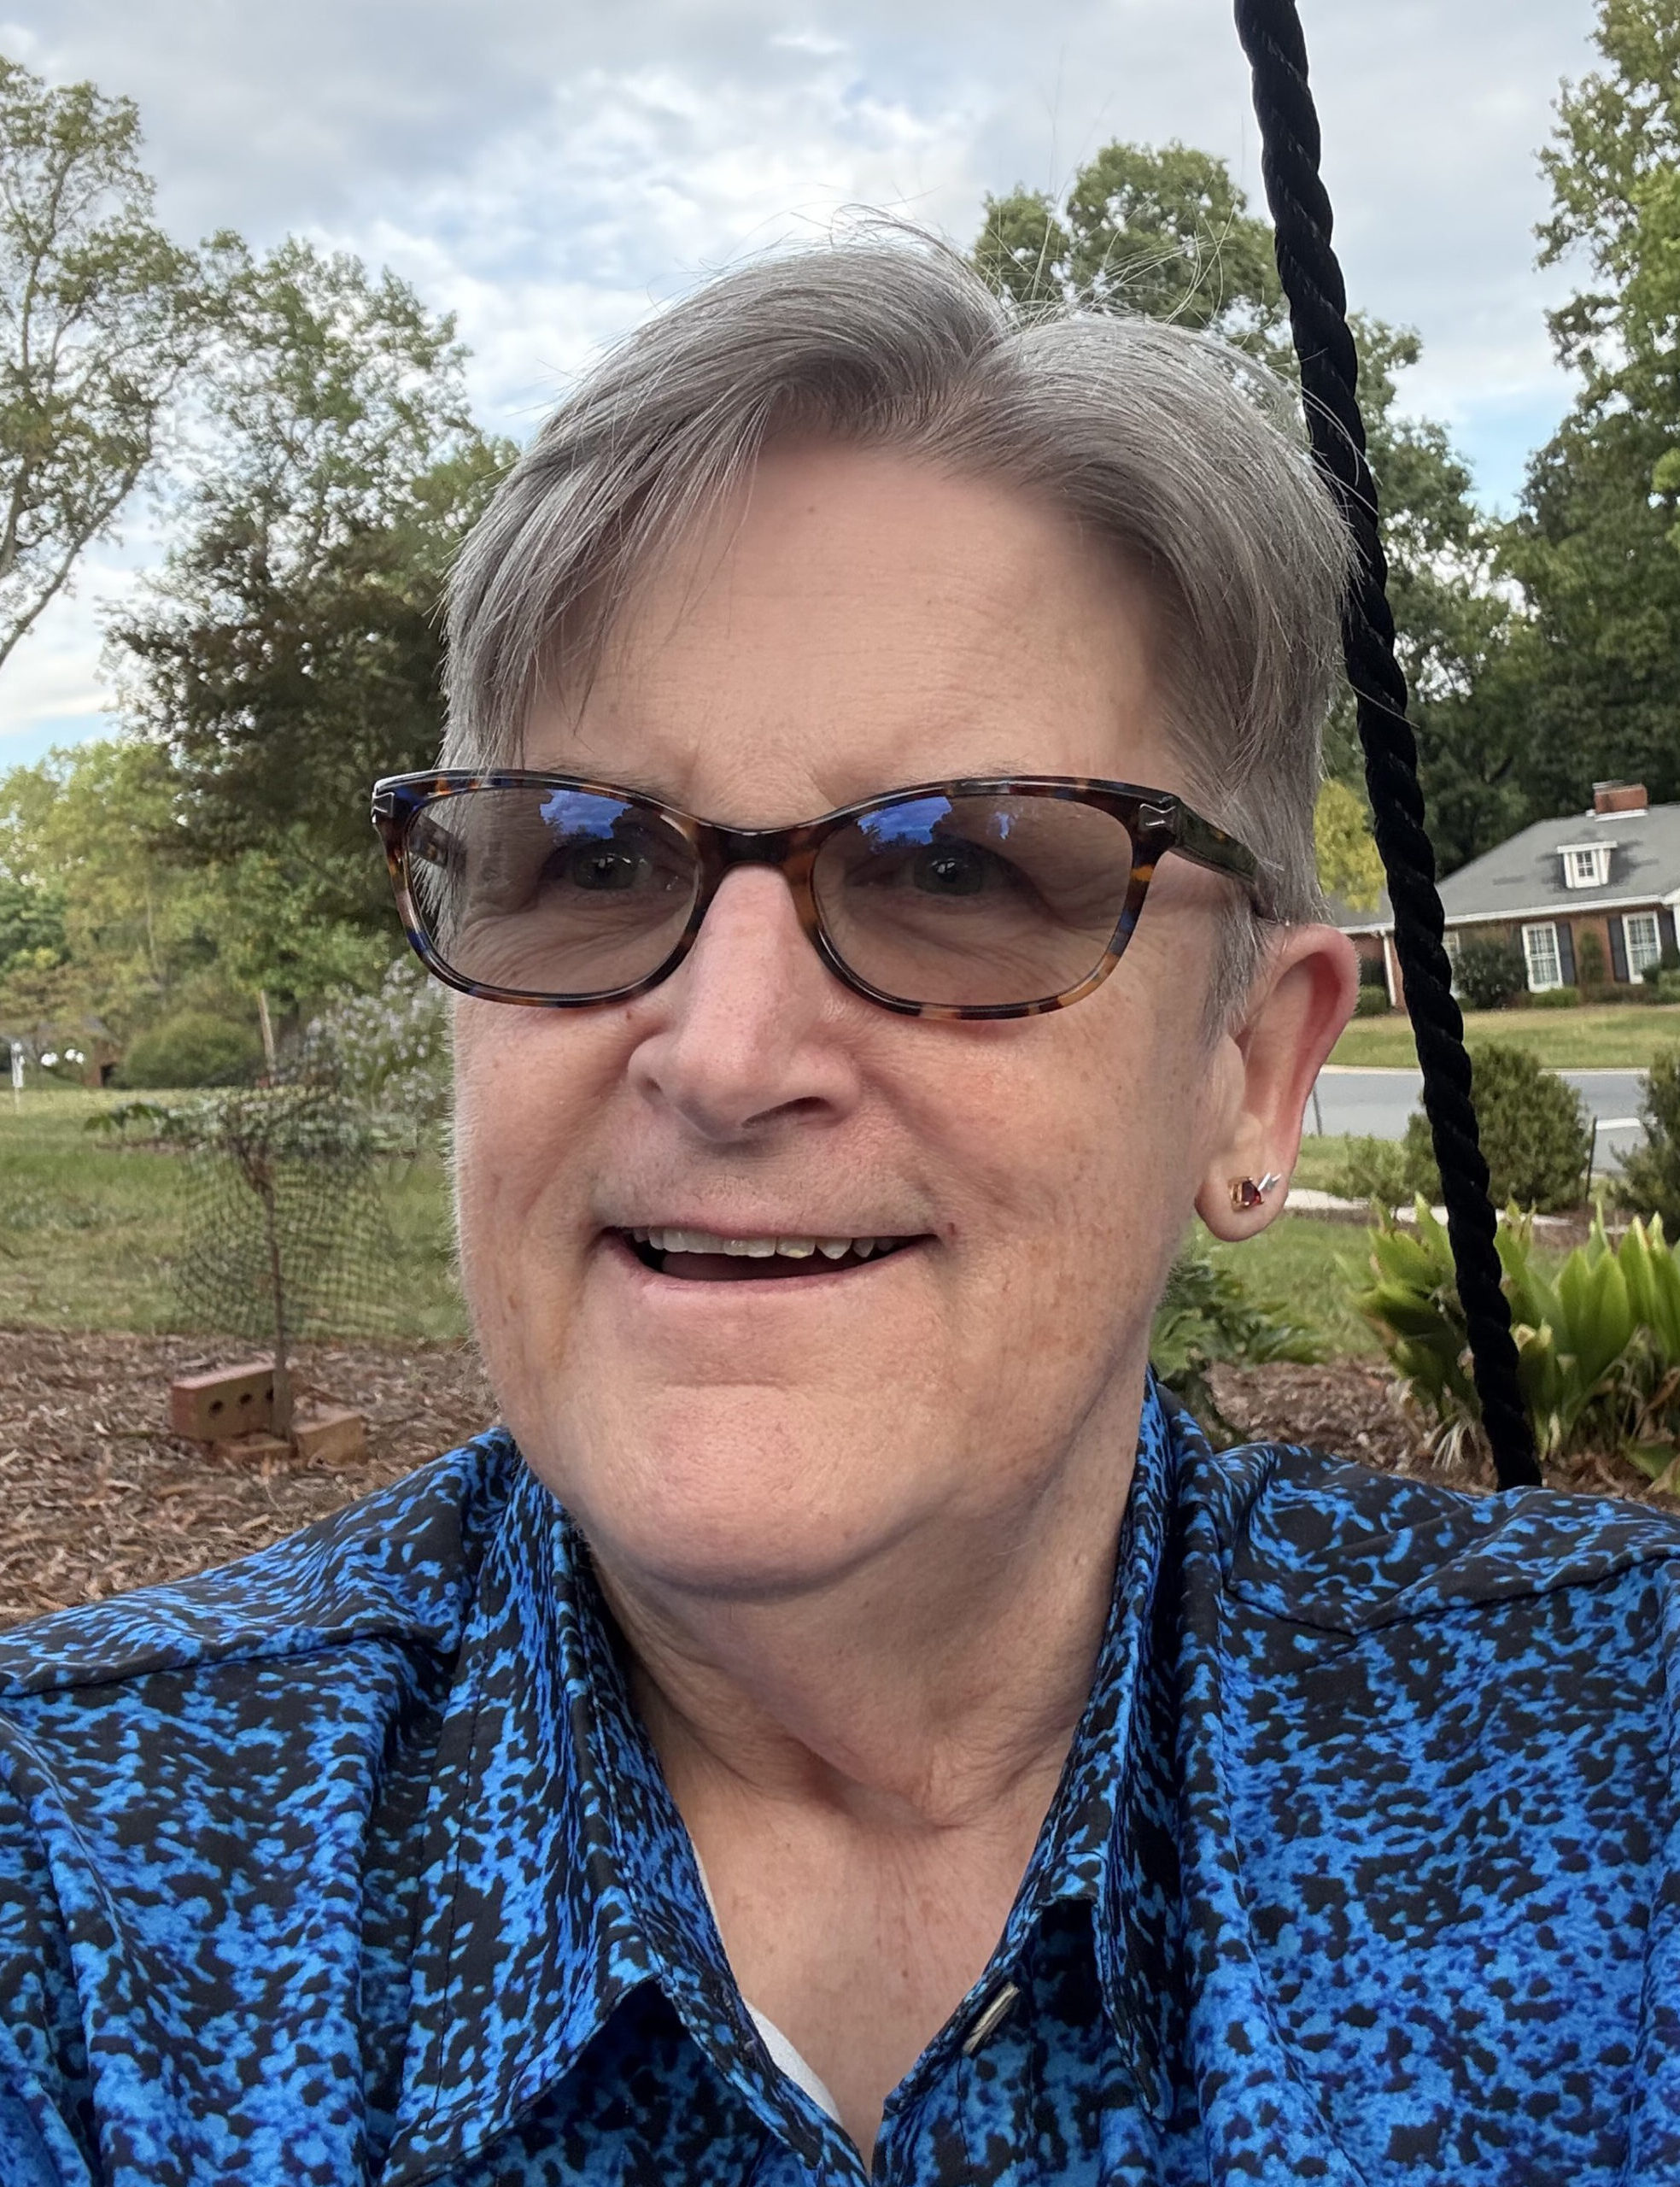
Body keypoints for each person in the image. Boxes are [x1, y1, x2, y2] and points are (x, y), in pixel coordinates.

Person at [3, 237, 1677, 2187]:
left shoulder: (1608, 1778)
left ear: (1255, 1075)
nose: (721, 1055)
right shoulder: (90, 1873)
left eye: (958, 870)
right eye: (590, 855)